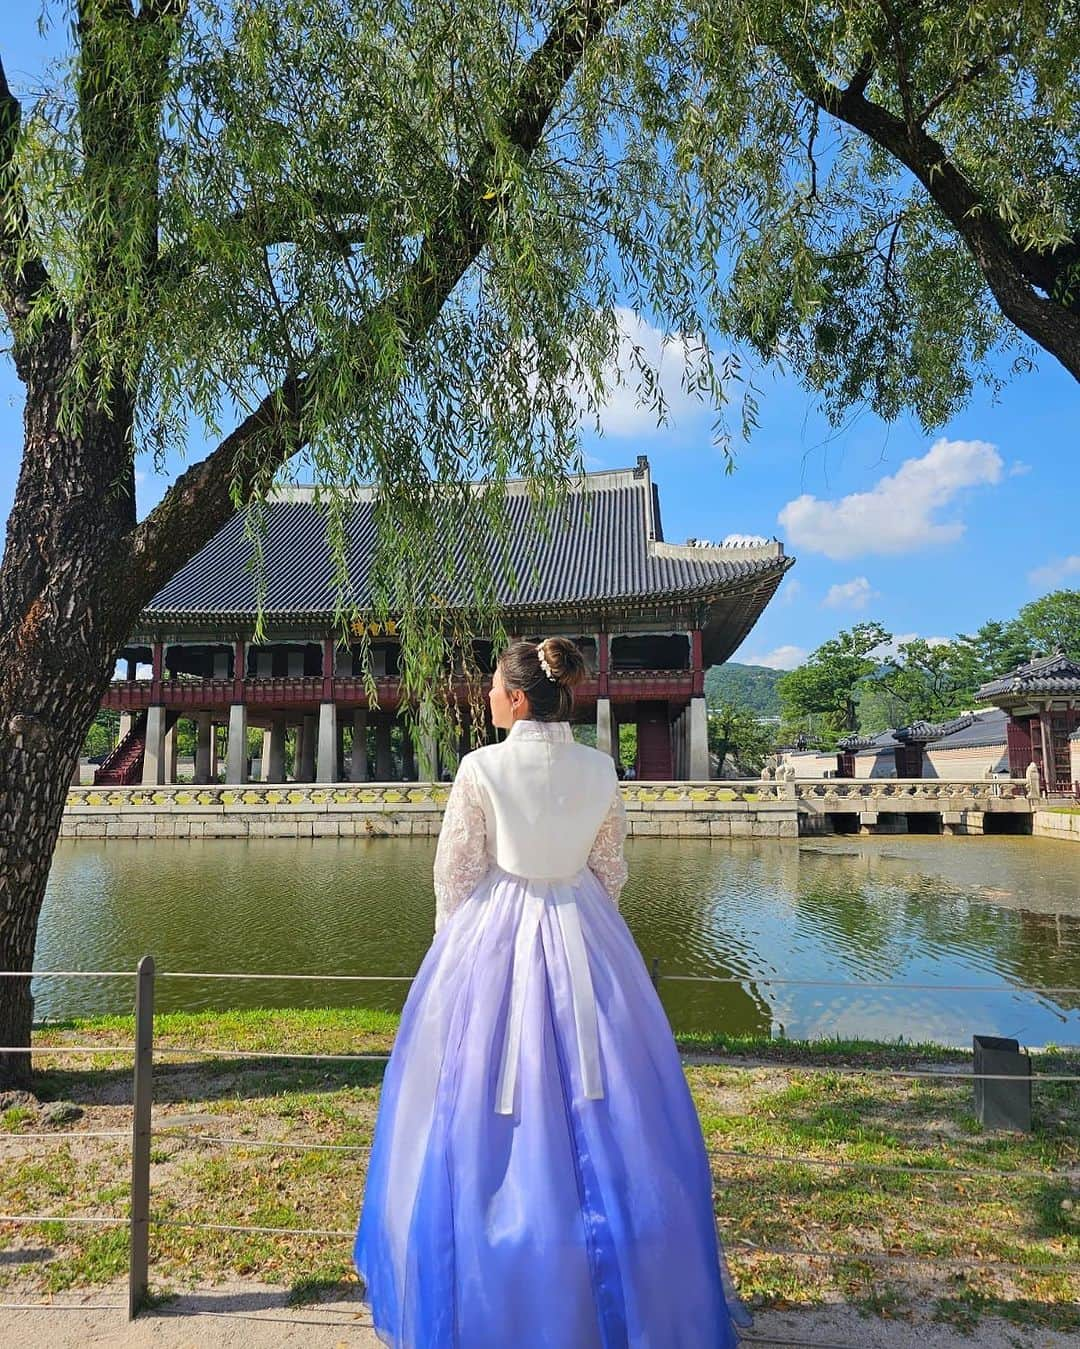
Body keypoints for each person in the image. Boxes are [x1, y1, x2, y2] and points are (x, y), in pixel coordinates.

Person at [354, 637, 748, 1347]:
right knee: (612, 1108)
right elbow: (611, 871)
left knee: (480, 1110)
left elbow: (455, 877)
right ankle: (616, 1288)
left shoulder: (481, 766)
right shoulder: (600, 767)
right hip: (585, 931)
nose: (485, 696)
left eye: (491, 686)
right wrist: (600, 952)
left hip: (494, 934)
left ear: (516, 697)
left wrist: (451, 966)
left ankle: (496, 1281)